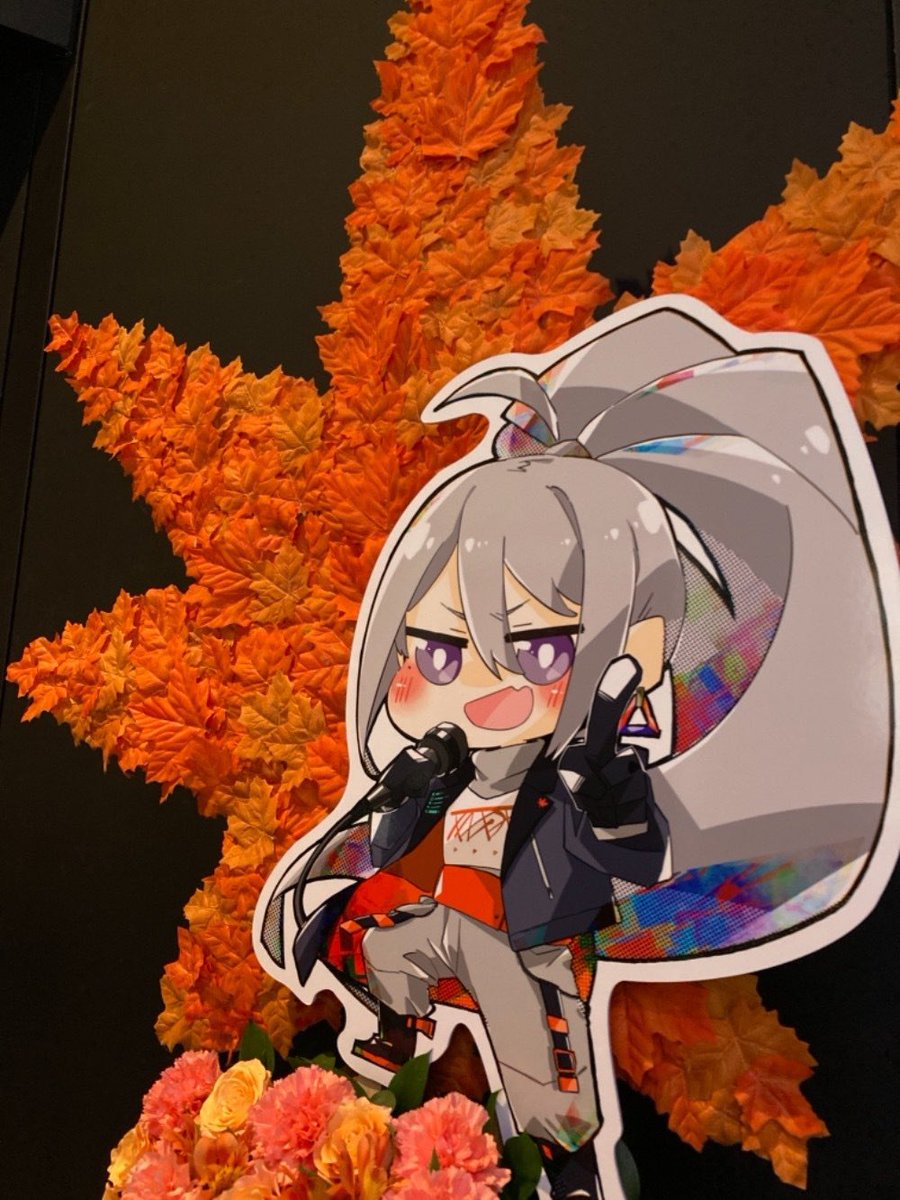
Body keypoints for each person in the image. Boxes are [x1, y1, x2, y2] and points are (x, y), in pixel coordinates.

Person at [257, 298, 893, 1200]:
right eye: (436, 653)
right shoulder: (443, 764)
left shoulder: (583, 774)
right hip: (447, 929)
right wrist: (387, 815)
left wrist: (602, 775)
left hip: (535, 949)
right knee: (389, 942)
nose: (484, 683)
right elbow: (386, 838)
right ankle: (398, 1030)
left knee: (543, 1087)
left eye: (540, 650)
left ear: (631, 649)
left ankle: (569, 1172)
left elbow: (635, 850)